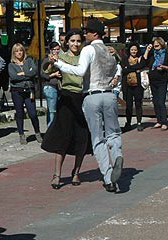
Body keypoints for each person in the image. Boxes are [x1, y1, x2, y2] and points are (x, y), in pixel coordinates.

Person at [51, 18, 123, 193]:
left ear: (94, 33)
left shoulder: (88, 50)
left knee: (97, 138)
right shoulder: (109, 51)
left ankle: (108, 177)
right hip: (110, 95)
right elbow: (117, 71)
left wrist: (58, 64)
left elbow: (80, 71)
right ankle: (118, 155)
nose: (84, 34)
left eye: (87, 31)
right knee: (113, 133)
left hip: (92, 95)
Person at [41, 29, 92, 189]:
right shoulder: (61, 57)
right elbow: (47, 70)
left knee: (81, 137)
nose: (75, 44)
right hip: (67, 98)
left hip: (83, 98)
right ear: (67, 42)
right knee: (62, 137)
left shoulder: (86, 56)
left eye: (78, 41)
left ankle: (76, 172)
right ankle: (57, 174)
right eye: (72, 41)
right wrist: (51, 62)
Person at [8, 43, 42, 145]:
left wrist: (24, 73)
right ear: (14, 53)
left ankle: (37, 132)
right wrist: (27, 74)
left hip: (29, 90)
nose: (19, 53)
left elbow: (34, 72)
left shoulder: (29, 61)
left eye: (21, 50)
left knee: (33, 113)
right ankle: (21, 134)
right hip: (17, 91)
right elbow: (13, 77)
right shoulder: (11, 65)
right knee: (19, 113)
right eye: (17, 51)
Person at [143, 37, 168, 131]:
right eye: (154, 45)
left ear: (161, 44)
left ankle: (164, 122)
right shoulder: (152, 54)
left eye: (157, 45)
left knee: (161, 102)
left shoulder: (167, 55)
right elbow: (144, 61)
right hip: (153, 80)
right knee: (155, 102)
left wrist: (164, 67)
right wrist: (147, 50)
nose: (155, 46)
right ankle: (159, 121)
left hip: (162, 81)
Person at [120, 43, 147, 132]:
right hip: (127, 86)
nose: (134, 51)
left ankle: (139, 122)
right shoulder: (124, 59)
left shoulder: (140, 59)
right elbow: (124, 69)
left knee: (138, 104)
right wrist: (135, 68)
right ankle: (128, 123)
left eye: (135, 50)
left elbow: (142, 65)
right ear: (129, 50)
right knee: (128, 105)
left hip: (138, 86)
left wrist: (129, 68)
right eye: (132, 50)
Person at [41, 41, 62, 127]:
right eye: (54, 49)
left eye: (58, 49)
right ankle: (51, 130)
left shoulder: (60, 59)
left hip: (59, 87)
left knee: (55, 110)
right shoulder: (47, 60)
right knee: (52, 111)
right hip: (50, 86)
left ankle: (52, 129)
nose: (56, 51)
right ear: (50, 50)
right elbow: (42, 74)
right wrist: (53, 75)